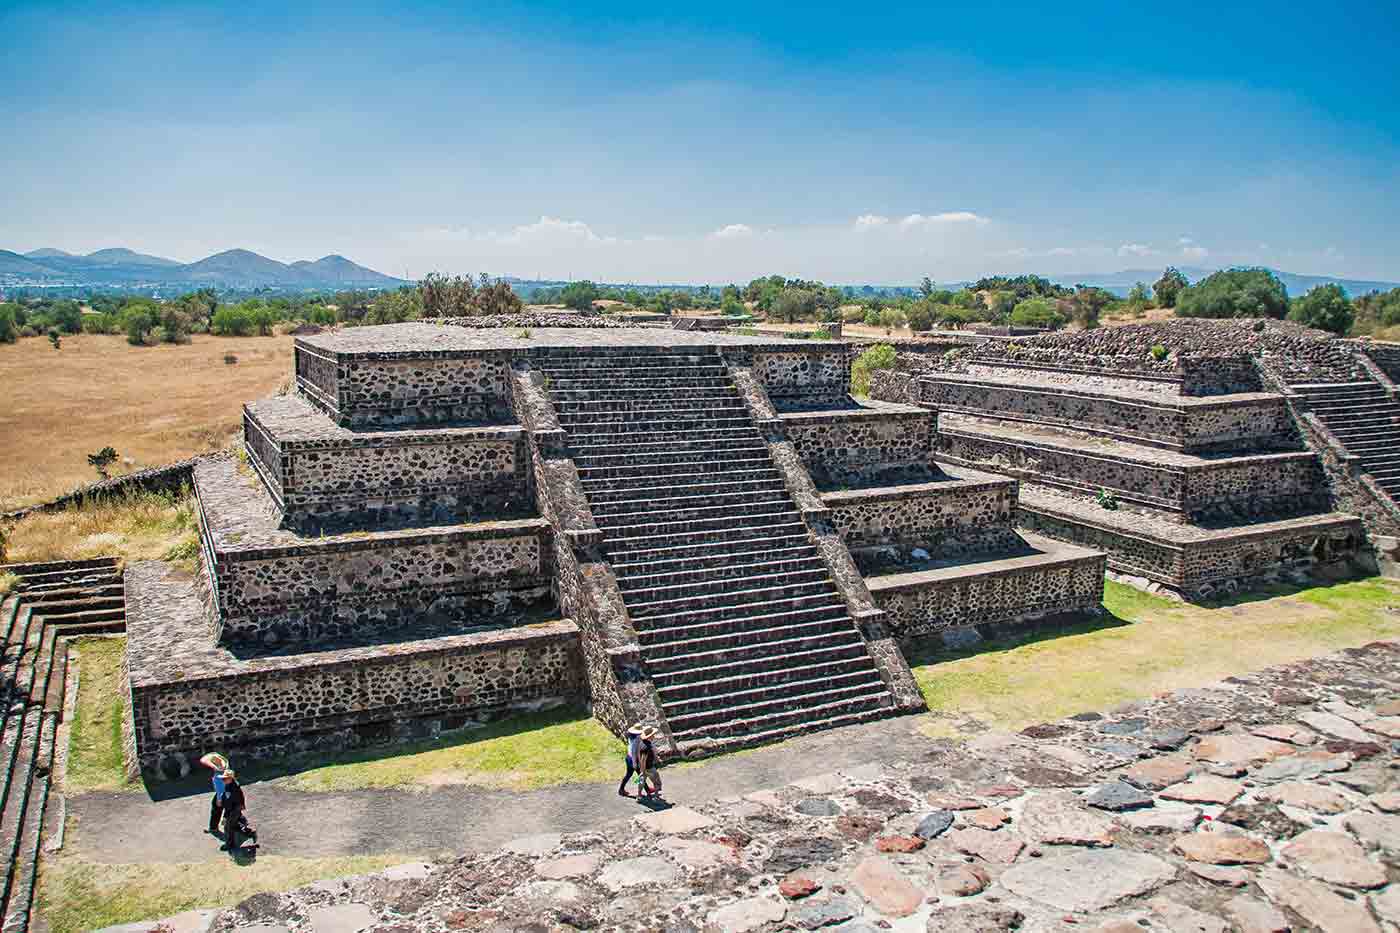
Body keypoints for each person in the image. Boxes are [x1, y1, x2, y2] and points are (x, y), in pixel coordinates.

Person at [198, 752, 229, 836]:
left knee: (217, 808)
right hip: (230, 792)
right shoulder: (226, 769)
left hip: (225, 793)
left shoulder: (218, 776)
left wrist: (219, 799)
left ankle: (214, 828)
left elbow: (220, 789)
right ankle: (214, 827)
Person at [219, 770, 248, 854]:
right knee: (235, 823)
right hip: (236, 808)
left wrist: (225, 817)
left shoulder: (232, 788)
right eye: (223, 779)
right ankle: (246, 828)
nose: (223, 780)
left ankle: (229, 845)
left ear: (231, 778)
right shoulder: (231, 785)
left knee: (228, 827)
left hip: (233, 809)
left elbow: (229, 805)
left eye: (225, 778)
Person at [618, 724, 644, 797]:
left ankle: (621, 789)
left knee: (630, 774)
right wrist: (635, 763)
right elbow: (633, 751)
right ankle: (645, 791)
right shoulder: (636, 739)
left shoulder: (631, 736)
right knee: (641, 775)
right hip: (633, 758)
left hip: (628, 757)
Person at [637, 726, 662, 798]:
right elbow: (643, 759)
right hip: (649, 767)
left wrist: (641, 769)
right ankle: (656, 796)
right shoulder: (646, 747)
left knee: (641, 781)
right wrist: (644, 770)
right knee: (657, 781)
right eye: (653, 735)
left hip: (643, 767)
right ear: (650, 736)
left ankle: (639, 795)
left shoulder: (641, 743)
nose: (654, 736)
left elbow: (639, 755)